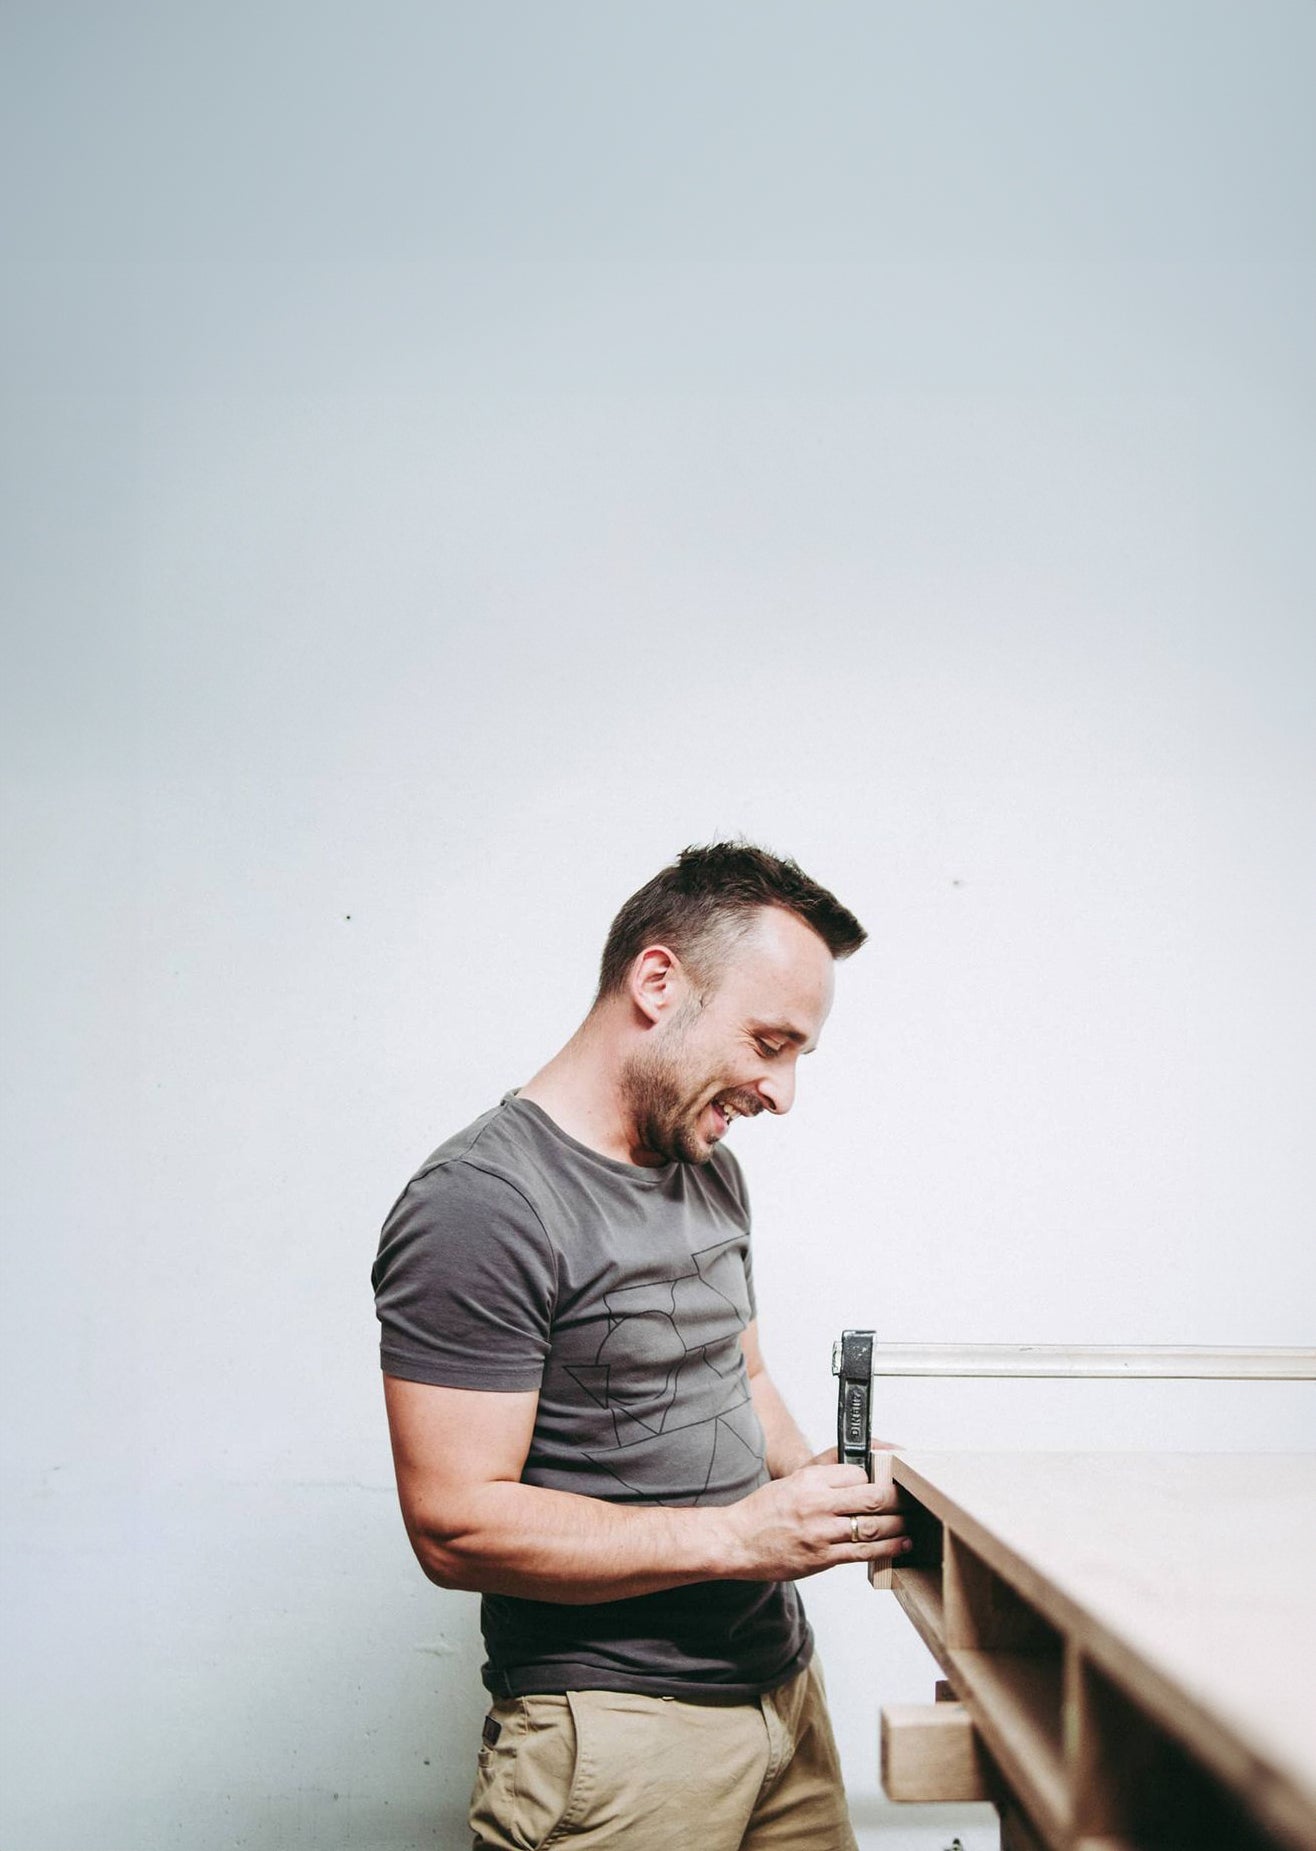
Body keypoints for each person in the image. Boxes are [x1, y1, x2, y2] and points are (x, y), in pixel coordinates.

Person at [372, 842, 909, 1850]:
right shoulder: (481, 1204)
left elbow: (736, 1371)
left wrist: (823, 1484)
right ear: (658, 982)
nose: (780, 1093)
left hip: (778, 1692)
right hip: (614, 1734)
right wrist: (742, 1540)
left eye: (796, 1055)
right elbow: (453, 1526)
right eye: (766, 1042)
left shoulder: (703, 1163)